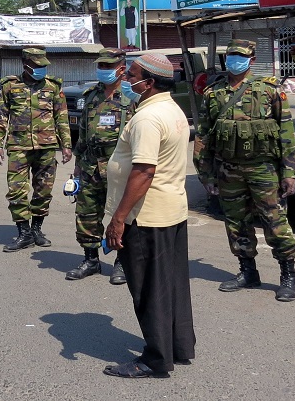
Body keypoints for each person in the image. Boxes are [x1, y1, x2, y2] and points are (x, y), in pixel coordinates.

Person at [103, 53, 195, 378]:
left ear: (150, 82)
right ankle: (179, 346)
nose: (126, 78)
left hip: (146, 218)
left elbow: (143, 171)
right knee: (172, 284)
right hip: (171, 211)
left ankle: (155, 358)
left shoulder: (147, 118)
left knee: (148, 291)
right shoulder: (172, 109)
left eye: (132, 74)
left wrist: (118, 219)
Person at [193, 39, 295, 302]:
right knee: (236, 223)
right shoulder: (213, 92)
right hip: (229, 169)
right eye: (231, 56)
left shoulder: (269, 90)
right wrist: (205, 173)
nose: (234, 61)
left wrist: (289, 172)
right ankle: (248, 271)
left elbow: (286, 131)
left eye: (240, 57)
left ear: (251, 61)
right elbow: (204, 135)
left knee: (274, 222)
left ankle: (288, 274)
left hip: (263, 168)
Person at [0, 47, 72, 252]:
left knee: (43, 190)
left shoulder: (53, 87)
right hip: (18, 146)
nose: (41, 70)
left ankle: (36, 228)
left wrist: (66, 146)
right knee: (16, 191)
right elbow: (1, 116)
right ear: (25, 64)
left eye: (43, 66)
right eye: (37, 66)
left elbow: (61, 118)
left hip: (46, 147)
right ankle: (24, 233)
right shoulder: (9, 86)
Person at [66, 48, 131, 285]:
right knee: (86, 214)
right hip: (90, 165)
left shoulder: (131, 97)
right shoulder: (91, 95)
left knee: (121, 216)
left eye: (107, 66)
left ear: (121, 69)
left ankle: (122, 262)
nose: (102, 70)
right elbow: (82, 134)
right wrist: (77, 166)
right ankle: (91, 259)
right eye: (100, 66)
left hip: (118, 168)